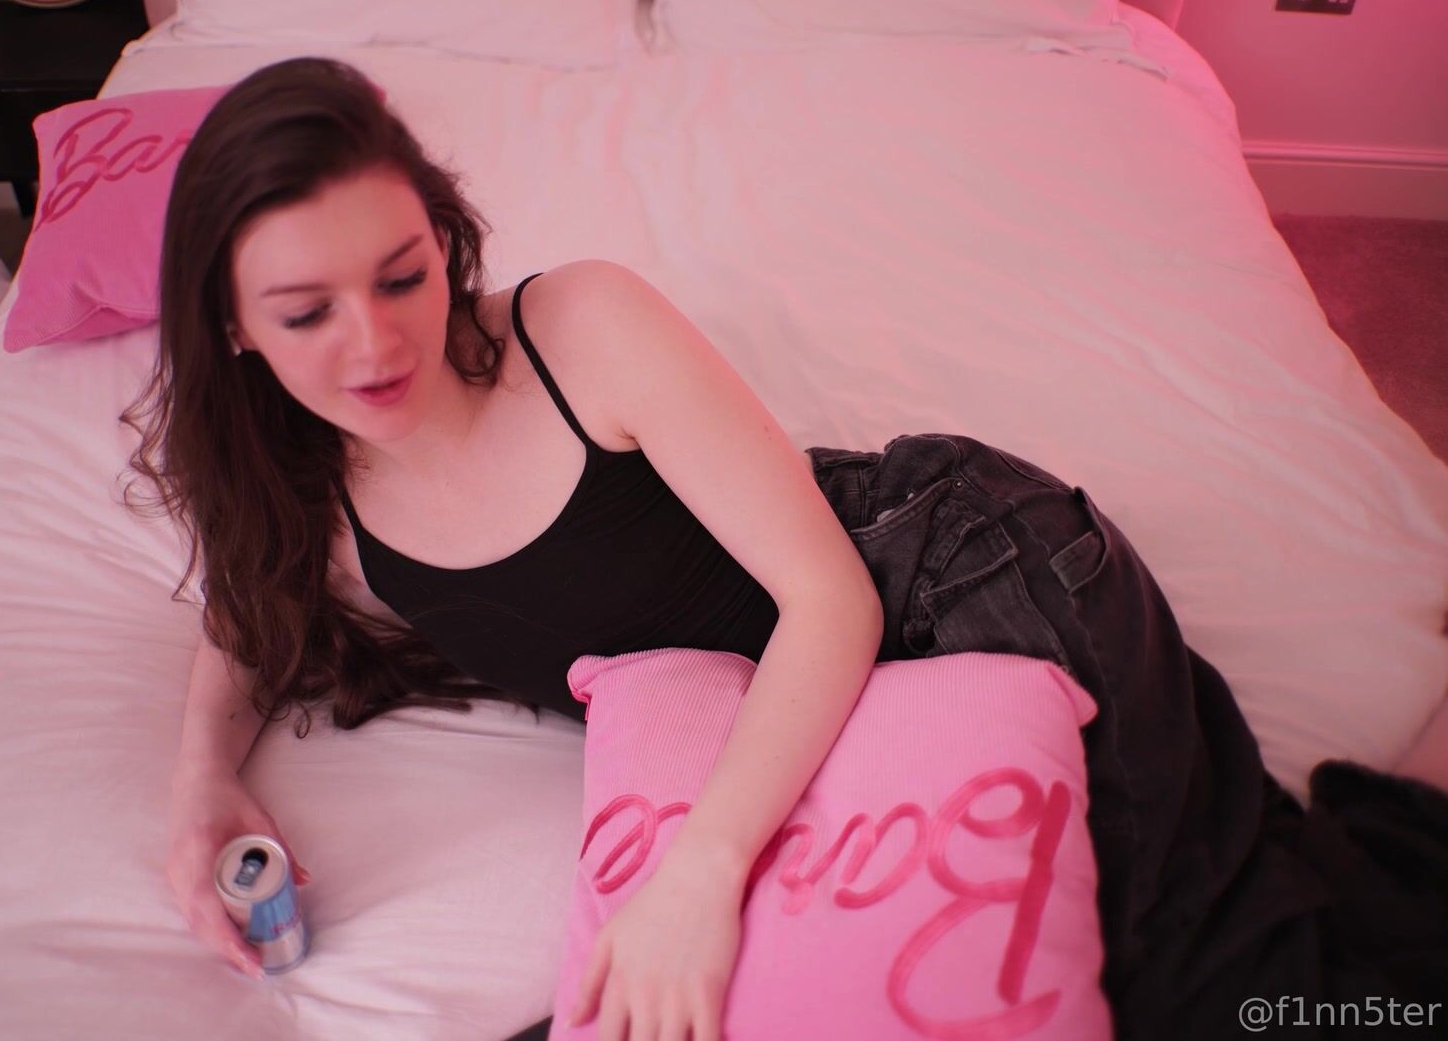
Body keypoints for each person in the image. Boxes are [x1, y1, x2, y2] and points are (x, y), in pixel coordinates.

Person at [126, 57, 1448, 1041]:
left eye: (403, 275)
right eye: (306, 312)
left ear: (443, 240)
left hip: (948, 581)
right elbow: (244, 616)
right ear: (232, 326)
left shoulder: (579, 330)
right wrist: (201, 787)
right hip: (805, 728)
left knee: (1234, 996)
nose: (375, 343)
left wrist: (702, 873)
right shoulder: (300, 495)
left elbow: (827, 598)